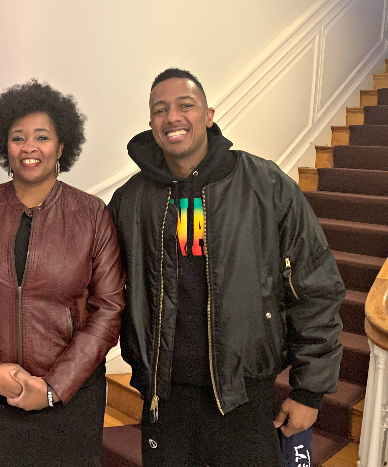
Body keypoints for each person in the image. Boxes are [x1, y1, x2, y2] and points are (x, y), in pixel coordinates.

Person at [108, 68, 345, 466]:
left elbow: (316, 283)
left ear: (209, 114)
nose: (173, 117)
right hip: (164, 398)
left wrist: (309, 391)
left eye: (186, 105)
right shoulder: (131, 200)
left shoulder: (265, 184)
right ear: (151, 123)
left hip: (244, 396)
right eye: (160, 109)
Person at [0, 80, 125, 467]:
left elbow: (109, 309)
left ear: (62, 147)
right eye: (18, 137)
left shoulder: (92, 215)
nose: (30, 147)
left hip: (67, 401)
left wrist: (52, 388)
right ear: (5, 146)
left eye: (42, 137)